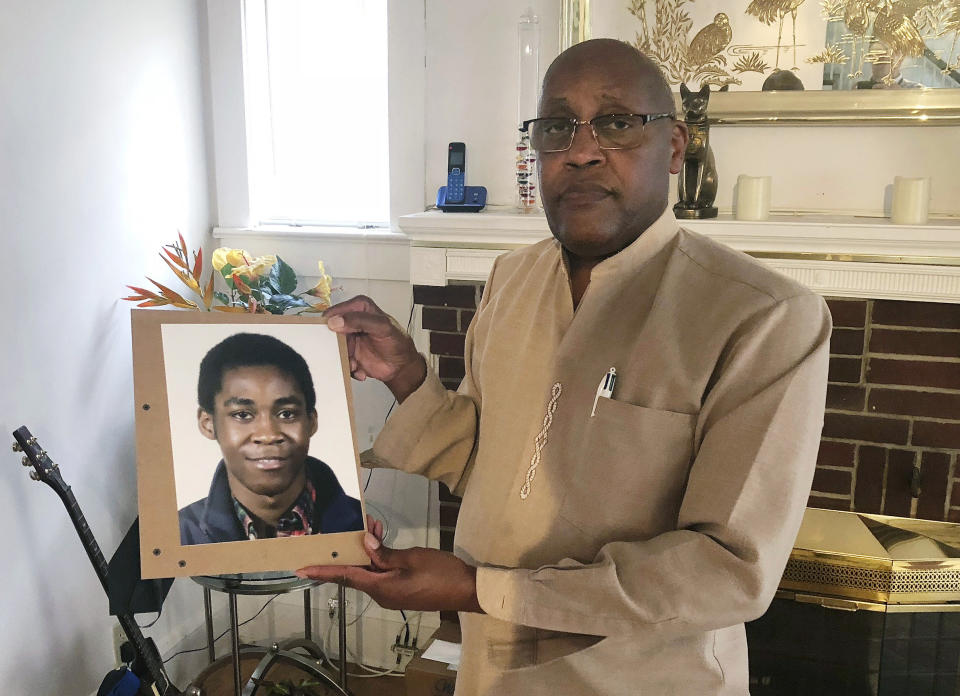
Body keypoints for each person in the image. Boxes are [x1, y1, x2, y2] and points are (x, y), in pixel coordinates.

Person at [298, 39, 831, 694]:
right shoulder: (510, 280)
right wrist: (405, 372)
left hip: (639, 679)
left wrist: (480, 589)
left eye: (616, 121)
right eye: (557, 126)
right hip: (492, 669)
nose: (581, 149)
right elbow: (491, 466)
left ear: (674, 147)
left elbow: (727, 571)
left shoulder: (762, 318)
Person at [178, 332, 363, 545]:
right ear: (208, 423)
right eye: (243, 415)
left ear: (311, 421)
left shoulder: (360, 524)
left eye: (286, 414)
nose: (268, 435)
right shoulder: (180, 535)